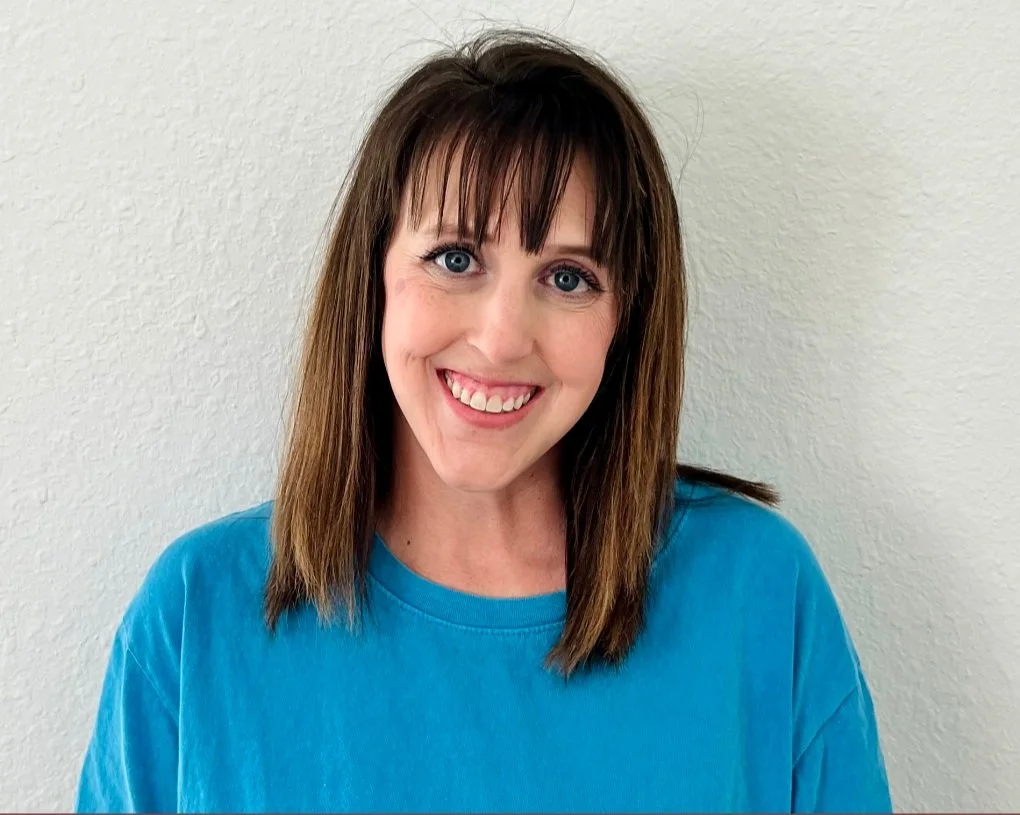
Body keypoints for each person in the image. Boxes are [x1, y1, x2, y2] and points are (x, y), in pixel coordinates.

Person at [76, 28, 892, 813]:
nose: (501, 337)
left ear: (626, 321)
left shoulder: (759, 598)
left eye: (568, 277)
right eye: (456, 259)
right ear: (373, 283)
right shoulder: (195, 620)